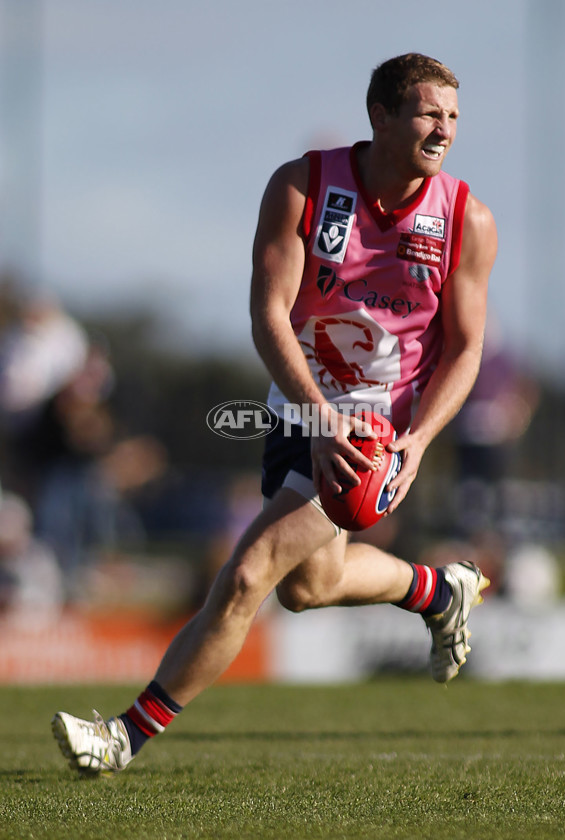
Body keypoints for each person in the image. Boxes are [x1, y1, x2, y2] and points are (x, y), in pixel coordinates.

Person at [51, 53, 498, 775]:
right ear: (380, 116)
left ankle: (121, 739)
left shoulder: (466, 219)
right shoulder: (305, 187)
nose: (442, 128)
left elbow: (468, 350)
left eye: (451, 115)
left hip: (376, 429)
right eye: (426, 112)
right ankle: (438, 588)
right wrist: (317, 418)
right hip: (300, 406)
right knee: (308, 587)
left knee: (248, 572)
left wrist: (415, 441)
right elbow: (268, 316)